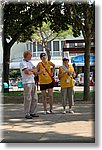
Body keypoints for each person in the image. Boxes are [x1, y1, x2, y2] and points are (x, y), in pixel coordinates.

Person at [20, 50, 39, 119]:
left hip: (32, 81)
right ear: (27, 55)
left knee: (35, 98)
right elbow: (26, 72)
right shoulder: (22, 63)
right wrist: (32, 71)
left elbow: (36, 70)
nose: (31, 56)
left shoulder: (30, 62)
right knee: (28, 98)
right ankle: (27, 113)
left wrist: (32, 70)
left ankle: (33, 112)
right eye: (30, 55)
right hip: (27, 82)